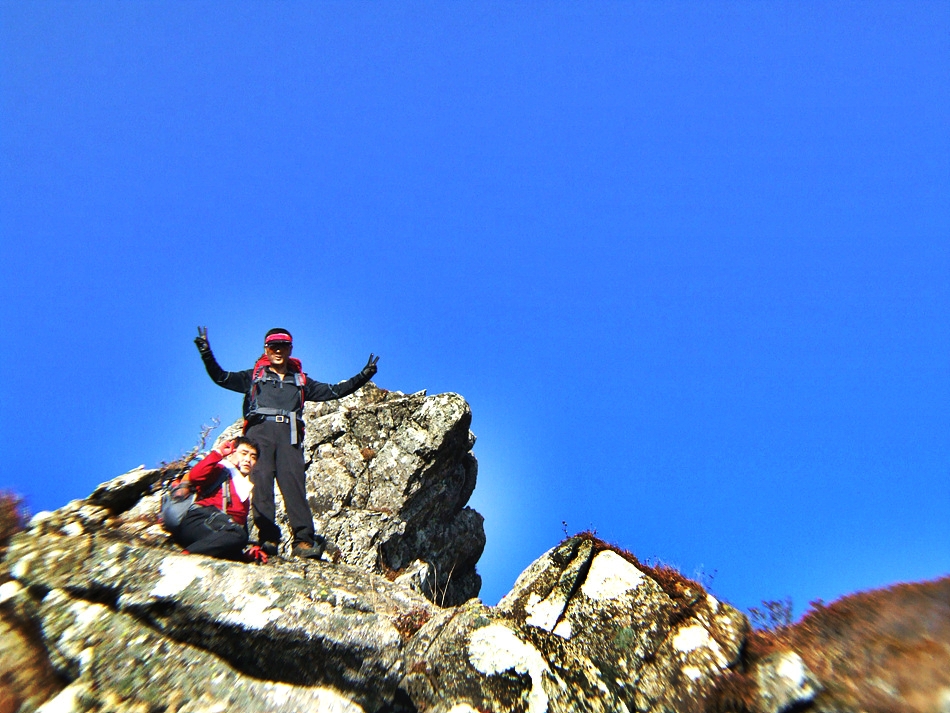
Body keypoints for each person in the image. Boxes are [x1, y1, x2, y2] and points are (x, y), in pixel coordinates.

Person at [194, 327, 378, 559]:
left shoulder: (301, 381)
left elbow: (334, 391)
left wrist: (363, 376)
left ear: (290, 349)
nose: (278, 351)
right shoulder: (254, 376)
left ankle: (303, 541)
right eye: (273, 347)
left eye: (283, 346)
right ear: (266, 349)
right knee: (260, 483)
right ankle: (267, 538)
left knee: (294, 485)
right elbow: (221, 377)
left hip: (289, 435)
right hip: (258, 433)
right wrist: (206, 353)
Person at [173, 437, 267, 563]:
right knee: (236, 533)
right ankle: (183, 559)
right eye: (243, 453)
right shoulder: (220, 469)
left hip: (218, 531)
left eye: (253, 457)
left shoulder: (244, 488)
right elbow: (195, 476)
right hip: (199, 520)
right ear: (232, 453)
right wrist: (219, 453)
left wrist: (245, 554)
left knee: (237, 539)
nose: (248, 459)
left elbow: (236, 530)